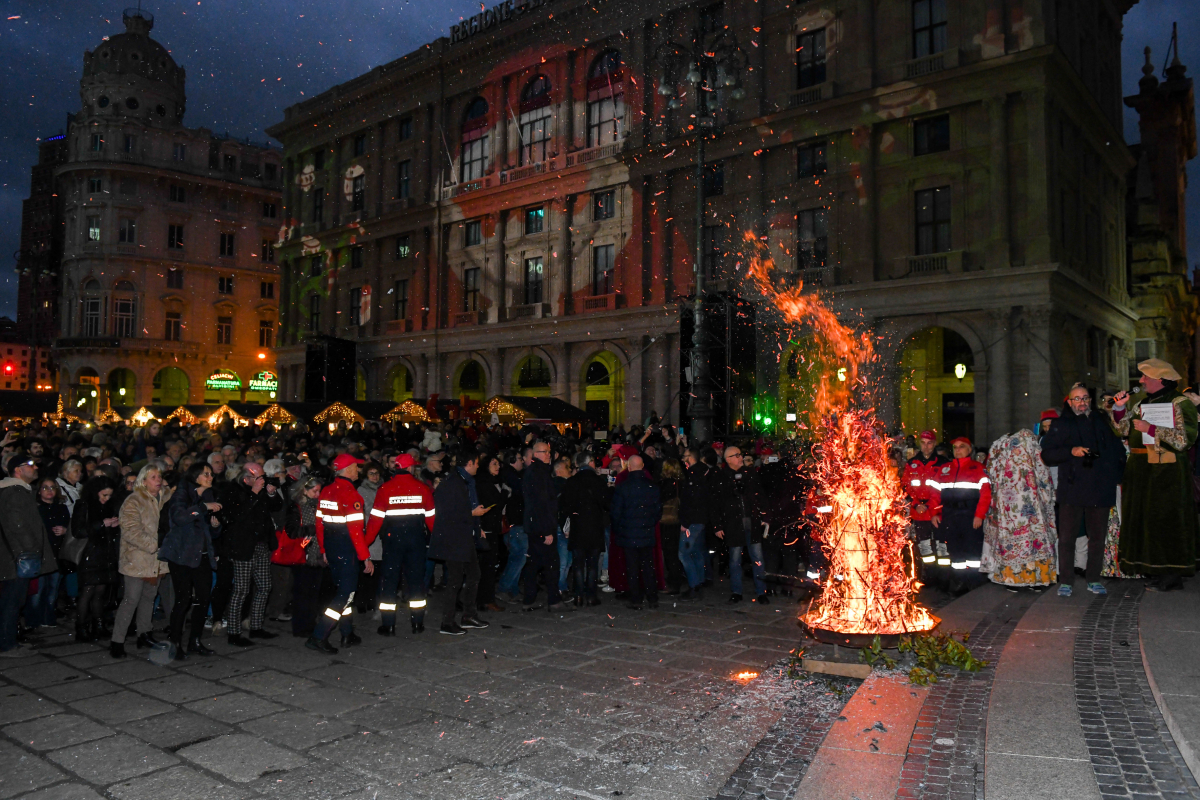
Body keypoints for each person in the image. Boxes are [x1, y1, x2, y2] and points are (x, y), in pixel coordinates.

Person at [1108, 358, 1199, 590]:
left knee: (1166, 520)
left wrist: (1151, 429)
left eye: (1145, 377)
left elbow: (1185, 439)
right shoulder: (1143, 403)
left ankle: (1171, 574)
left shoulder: (1180, 403)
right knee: (1146, 521)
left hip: (1167, 471)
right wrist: (1119, 408)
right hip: (1141, 470)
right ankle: (1153, 568)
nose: (1140, 381)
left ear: (1159, 379)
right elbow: (1122, 429)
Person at [1041, 383, 1125, 596]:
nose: (1082, 402)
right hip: (1072, 489)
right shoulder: (1062, 425)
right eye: (1077, 399)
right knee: (1067, 538)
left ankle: (1094, 578)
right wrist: (1071, 450)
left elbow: (1117, 451)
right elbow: (1047, 455)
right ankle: (1066, 581)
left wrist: (1116, 477)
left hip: (1101, 487)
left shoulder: (1102, 421)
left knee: (1097, 538)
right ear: (1069, 402)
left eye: (1085, 398)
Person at [308, 454, 373, 654]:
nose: (358, 470)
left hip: (332, 547)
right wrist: (365, 558)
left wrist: (324, 549)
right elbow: (355, 531)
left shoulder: (326, 491)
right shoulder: (351, 495)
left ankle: (347, 633)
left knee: (343, 593)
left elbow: (320, 524)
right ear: (347, 470)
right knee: (346, 594)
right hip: (347, 549)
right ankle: (319, 635)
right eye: (356, 466)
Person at [159, 462, 223, 658]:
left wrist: (215, 525)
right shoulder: (181, 494)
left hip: (201, 555)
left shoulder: (209, 495)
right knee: (183, 599)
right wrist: (202, 507)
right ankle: (175, 643)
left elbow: (210, 531)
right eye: (206, 474)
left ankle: (195, 640)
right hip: (181, 554)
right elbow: (179, 518)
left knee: (203, 598)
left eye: (211, 474)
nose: (210, 477)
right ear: (195, 477)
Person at [367, 454, 434, 635]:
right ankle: (417, 624)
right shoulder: (422, 488)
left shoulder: (385, 489)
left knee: (389, 582)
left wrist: (365, 543)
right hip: (416, 540)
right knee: (416, 582)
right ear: (411, 468)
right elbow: (432, 521)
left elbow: (375, 521)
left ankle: (388, 625)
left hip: (392, 541)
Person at [981, 431, 1058, 588]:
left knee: (1016, 538)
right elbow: (1044, 477)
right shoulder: (1031, 447)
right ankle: (1034, 577)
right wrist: (1047, 497)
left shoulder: (999, 448)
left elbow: (991, 473)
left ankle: (1015, 578)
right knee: (1032, 538)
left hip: (1012, 507)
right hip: (1024, 506)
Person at [110, 464, 172, 658]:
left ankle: (144, 633)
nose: (158, 480)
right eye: (153, 477)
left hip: (156, 560)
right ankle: (117, 641)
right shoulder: (134, 501)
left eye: (159, 476)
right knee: (131, 600)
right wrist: (154, 543)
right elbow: (130, 530)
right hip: (137, 559)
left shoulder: (163, 498)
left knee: (149, 597)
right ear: (143, 481)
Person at [0, 456, 58, 656]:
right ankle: (6, 644)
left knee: (14, 600)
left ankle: (9, 640)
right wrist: (30, 548)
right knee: (11, 601)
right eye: (30, 465)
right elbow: (17, 525)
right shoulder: (14, 492)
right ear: (18, 470)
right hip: (15, 558)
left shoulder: (19, 490)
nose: (35, 468)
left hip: (15, 556)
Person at [222, 462, 282, 645]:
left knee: (264, 586)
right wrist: (255, 492)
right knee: (241, 590)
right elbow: (238, 515)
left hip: (261, 545)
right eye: (260, 477)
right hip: (243, 547)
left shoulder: (261, 489)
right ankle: (234, 632)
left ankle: (256, 627)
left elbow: (277, 505)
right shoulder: (233, 490)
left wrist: (271, 492)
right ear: (246, 478)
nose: (263, 481)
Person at [427, 452, 488, 635]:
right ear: (469, 462)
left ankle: (468, 615)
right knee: (454, 580)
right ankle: (447, 622)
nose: (478, 467)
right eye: (477, 463)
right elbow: (448, 513)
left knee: (473, 575)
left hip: (464, 537)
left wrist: (477, 527)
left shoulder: (464, 481)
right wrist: (472, 515)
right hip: (453, 539)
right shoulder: (454, 483)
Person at [929, 436, 992, 594]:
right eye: (955, 447)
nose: (958, 450)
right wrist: (935, 512)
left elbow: (986, 495)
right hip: (950, 515)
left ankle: (975, 583)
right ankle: (959, 582)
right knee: (955, 549)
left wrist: (979, 515)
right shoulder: (945, 469)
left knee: (972, 551)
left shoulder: (977, 468)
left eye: (962, 447)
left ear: (969, 450)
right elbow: (935, 493)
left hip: (970, 514)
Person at [710, 445, 767, 604]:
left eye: (740, 454)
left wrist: (764, 515)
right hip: (733, 524)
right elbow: (715, 503)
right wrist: (717, 525)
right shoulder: (722, 477)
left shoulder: (750, 474)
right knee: (735, 559)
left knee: (757, 557)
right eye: (736, 455)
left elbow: (760, 495)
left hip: (752, 521)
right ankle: (736, 591)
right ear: (728, 459)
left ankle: (761, 591)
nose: (740, 458)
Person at [70, 475, 121, 643]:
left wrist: (113, 525)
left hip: (105, 554)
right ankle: (81, 627)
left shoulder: (109, 505)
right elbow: (78, 531)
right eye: (103, 495)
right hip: (89, 554)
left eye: (109, 495)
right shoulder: (83, 505)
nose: (106, 499)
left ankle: (98, 625)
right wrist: (101, 524)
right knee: (87, 591)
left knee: (100, 591)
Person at [610, 454, 663, 610]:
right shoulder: (652, 487)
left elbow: (616, 513)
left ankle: (636, 599)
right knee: (648, 567)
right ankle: (652, 598)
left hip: (629, 535)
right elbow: (657, 511)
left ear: (629, 467)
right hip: (646, 533)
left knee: (632, 568)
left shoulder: (623, 488)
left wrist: (620, 528)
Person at [558, 451, 608, 606]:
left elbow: (564, 505)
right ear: (591, 462)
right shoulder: (598, 481)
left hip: (578, 526)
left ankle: (579, 595)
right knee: (592, 564)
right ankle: (591, 595)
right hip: (594, 526)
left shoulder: (572, 481)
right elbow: (606, 503)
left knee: (578, 563)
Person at [522, 440, 567, 611]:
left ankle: (529, 599)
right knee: (550, 564)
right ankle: (553, 600)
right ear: (536, 454)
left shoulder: (536, 472)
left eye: (549, 451)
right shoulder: (538, 473)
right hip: (540, 526)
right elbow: (541, 504)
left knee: (535, 563)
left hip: (534, 526)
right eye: (545, 452)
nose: (548, 454)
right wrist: (547, 530)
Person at [284, 476, 324, 638]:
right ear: (304, 491)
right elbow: (291, 531)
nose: (317, 494)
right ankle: (301, 627)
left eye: (319, 491)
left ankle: (311, 623)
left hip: (318, 555)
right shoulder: (296, 507)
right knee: (302, 593)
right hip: (302, 555)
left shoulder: (319, 506)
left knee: (314, 592)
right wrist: (309, 530)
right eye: (315, 491)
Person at [27, 479, 69, 631]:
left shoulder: (62, 508)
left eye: (52, 487)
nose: (49, 490)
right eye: (45, 488)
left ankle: (48, 617)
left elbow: (70, 526)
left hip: (57, 553)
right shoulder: (36, 508)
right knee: (38, 589)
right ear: (39, 491)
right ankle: (33, 619)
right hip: (41, 553)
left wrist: (65, 530)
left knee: (53, 588)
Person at [902, 431, 949, 566]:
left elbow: (943, 489)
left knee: (942, 547)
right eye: (923, 443)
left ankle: (944, 578)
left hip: (937, 511)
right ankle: (928, 576)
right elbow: (906, 487)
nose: (926, 447)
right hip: (919, 512)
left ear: (934, 444)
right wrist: (916, 504)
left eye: (929, 443)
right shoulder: (911, 464)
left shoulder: (943, 463)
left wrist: (929, 505)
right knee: (924, 547)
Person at [678, 448, 711, 599]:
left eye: (685, 455)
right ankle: (699, 582)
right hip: (700, 519)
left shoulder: (694, 475)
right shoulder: (702, 472)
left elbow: (691, 502)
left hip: (693, 521)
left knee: (684, 553)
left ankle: (694, 584)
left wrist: (685, 522)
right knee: (696, 552)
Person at [474, 454, 506, 613]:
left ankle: (484, 599)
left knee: (487, 565)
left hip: (490, 527)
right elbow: (495, 502)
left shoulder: (491, 482)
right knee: (487, 565)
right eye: (494, 463)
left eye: (498, 464)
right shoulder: (485, 483)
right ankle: (486, 599)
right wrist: (504, 495)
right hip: (487, 529)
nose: (497, 466)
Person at [496, 449, 527, 600]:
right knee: (519, 556)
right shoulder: (512, 477)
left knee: (517, 556)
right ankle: (504, 587)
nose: (522, 461)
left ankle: (512, 590)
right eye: (520, 459)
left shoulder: (511, 475)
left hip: (514, 521)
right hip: (514, 522)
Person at [658, 459, 684, 595]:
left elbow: (661, 499)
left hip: (668, 521)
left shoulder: (668, 483)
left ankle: (674, 583)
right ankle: (676, 579)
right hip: (676, 521)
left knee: (670, 553)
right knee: (673, 553)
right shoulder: (680, 482)